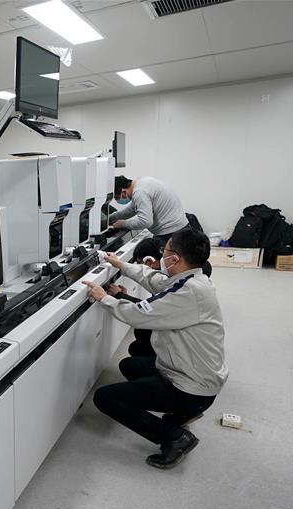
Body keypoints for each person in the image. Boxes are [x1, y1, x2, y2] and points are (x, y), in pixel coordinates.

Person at [82, 228, 228, 470]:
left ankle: (174, 437)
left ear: (175, 259)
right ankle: (180, 414)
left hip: (192, 387)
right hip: (193, 373)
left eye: (166, 250)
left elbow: (139, 315)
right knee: (129, 365)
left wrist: (103, 298)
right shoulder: (193, 279)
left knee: (105, 397)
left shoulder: (190, 293)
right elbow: (155, 280)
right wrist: (120, 264)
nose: (162, 254)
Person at [111, 175, 188, 246]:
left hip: (170, 233)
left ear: (123, 191)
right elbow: (133, 208)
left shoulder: (139, 192)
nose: (117, 200)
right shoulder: (142, 182)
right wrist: (113, 217)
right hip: (179, 228)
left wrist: (123, 224)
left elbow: (145, 221)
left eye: (116, 197)